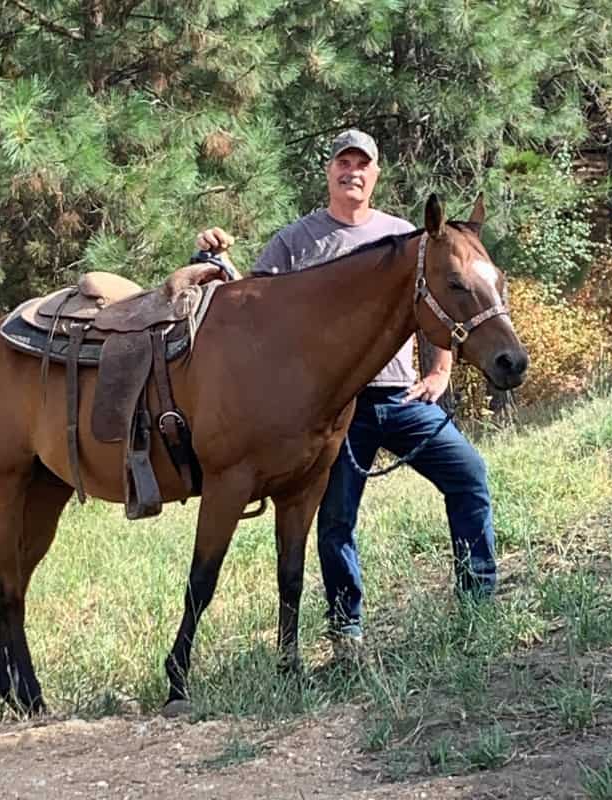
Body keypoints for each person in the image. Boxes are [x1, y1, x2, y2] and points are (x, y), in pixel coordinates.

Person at [194, 129, 497, 651]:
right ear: (329, 172)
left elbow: (447, 303)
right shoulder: (297, 240)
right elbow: (257, 313)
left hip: (403, 398)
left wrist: (439, 372)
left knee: (468, 475)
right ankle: (346, 631)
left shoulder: (409, 235)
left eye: (363, 163)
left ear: (375, 174)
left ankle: (478, 602)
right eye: (343, 162)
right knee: (335, 520)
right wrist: (215, 260)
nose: (352, 171)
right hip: (333, 410)